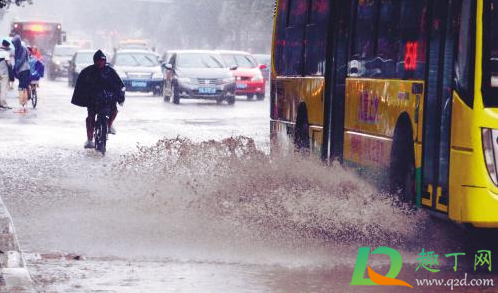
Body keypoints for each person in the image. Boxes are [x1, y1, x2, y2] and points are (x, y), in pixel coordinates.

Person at [71, 50, 125, 149]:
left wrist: (119, 97)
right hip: (93, 102)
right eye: (98, 60)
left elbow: (118, 86)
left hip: (108, 101)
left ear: (105, 61)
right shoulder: (88, 72)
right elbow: (81, 87)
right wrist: (84, 97)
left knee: (114, 111)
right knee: (90, 118)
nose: (100, 62)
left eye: (102, 60)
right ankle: (90, 139)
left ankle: (109, 125)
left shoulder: (110, 72)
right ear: (95, 61)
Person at [12, 36, 30, 112]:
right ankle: (23, 106)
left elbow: (21, 60)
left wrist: (16, 67)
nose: (14, 45)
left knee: (22, 87)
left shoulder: (23, 49)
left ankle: (22, 107)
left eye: (15, 43)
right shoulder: (17, 49)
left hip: (24, 70)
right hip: (20, 71)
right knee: (23, 87)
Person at [0, 40, 12, 109]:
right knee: (3, 88)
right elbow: (8, 63)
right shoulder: (6, 53)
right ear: (7, 46)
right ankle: (3, 103)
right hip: (4, 73)